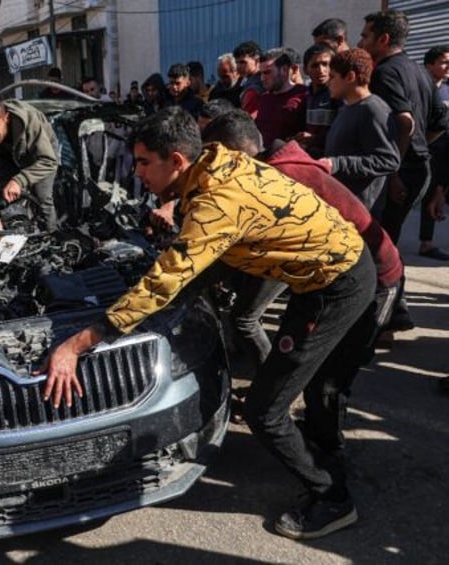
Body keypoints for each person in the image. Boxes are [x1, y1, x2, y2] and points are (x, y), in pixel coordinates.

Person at [41, 107, 374, 540]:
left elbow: (167, 279)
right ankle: (323, 451)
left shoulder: (216, 204)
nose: (137, 172)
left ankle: (332, 497)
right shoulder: (216, 159)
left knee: (265, 411)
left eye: (144, 163)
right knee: (307, 385)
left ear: (176, 161)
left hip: (337, 285)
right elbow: (212, 254)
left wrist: (79, 343)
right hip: (323, 275)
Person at [203, 111, 403, 385]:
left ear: (236, 155)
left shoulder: (279, 179)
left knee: (333, 373)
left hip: (375, 273)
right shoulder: (270, 168)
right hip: (332, 264)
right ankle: (274, 391)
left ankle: (272, 392)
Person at [358, 9, 448, 333]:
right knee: (389, 243)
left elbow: (406, 121)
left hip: (400, 171)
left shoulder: (385, 72)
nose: (361, 41)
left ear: (383, 39)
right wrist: (419, 149)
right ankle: (396, 311)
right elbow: (439, 123)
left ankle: (382, 319)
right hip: (416, 166)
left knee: (380, 246)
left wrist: (394, 168)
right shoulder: (419, 72)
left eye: (366, 36)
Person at [0, 95, 59, 232]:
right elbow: (2, 174)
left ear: (6, 118)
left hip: (41, 156)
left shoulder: (29, 120)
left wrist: (19, 180)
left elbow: (48, 161)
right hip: (11, 155)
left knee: (42, 198)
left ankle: (53, 237)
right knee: (7, 198)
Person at [322, 48, 400, 212]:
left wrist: (337, 164)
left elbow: (388, 160)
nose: (328, 82)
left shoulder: (373, 110)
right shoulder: (347, 108)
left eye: (332, 77)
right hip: (341, 203)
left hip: (361, 210)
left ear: (350, 77)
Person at [418, 45, 449, 260]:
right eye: (443, 62)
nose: (448, 67)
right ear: (430, 65)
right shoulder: (420, 89)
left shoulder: (447, 89)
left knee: (435, 194)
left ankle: (426, 242)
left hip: (443, 151)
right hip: (421, 149)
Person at [255, 47, 308, 145]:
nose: (262, 78)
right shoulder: (264, 99)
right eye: (261, 73)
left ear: (284, 70)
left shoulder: (304, 95)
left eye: (267, 72)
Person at [297, 44, 340, 157]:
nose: (321, 70)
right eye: (315, 65)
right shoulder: (307, 95)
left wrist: (315, 139)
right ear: (306, 70)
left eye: (325, 64)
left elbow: (343, 132)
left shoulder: (338, 94)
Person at [233, 41, 264, 118]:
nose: (238, 67)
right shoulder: (247, 83)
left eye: (243, 62)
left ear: (257, 61)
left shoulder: (255, 88)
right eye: (237, 62)